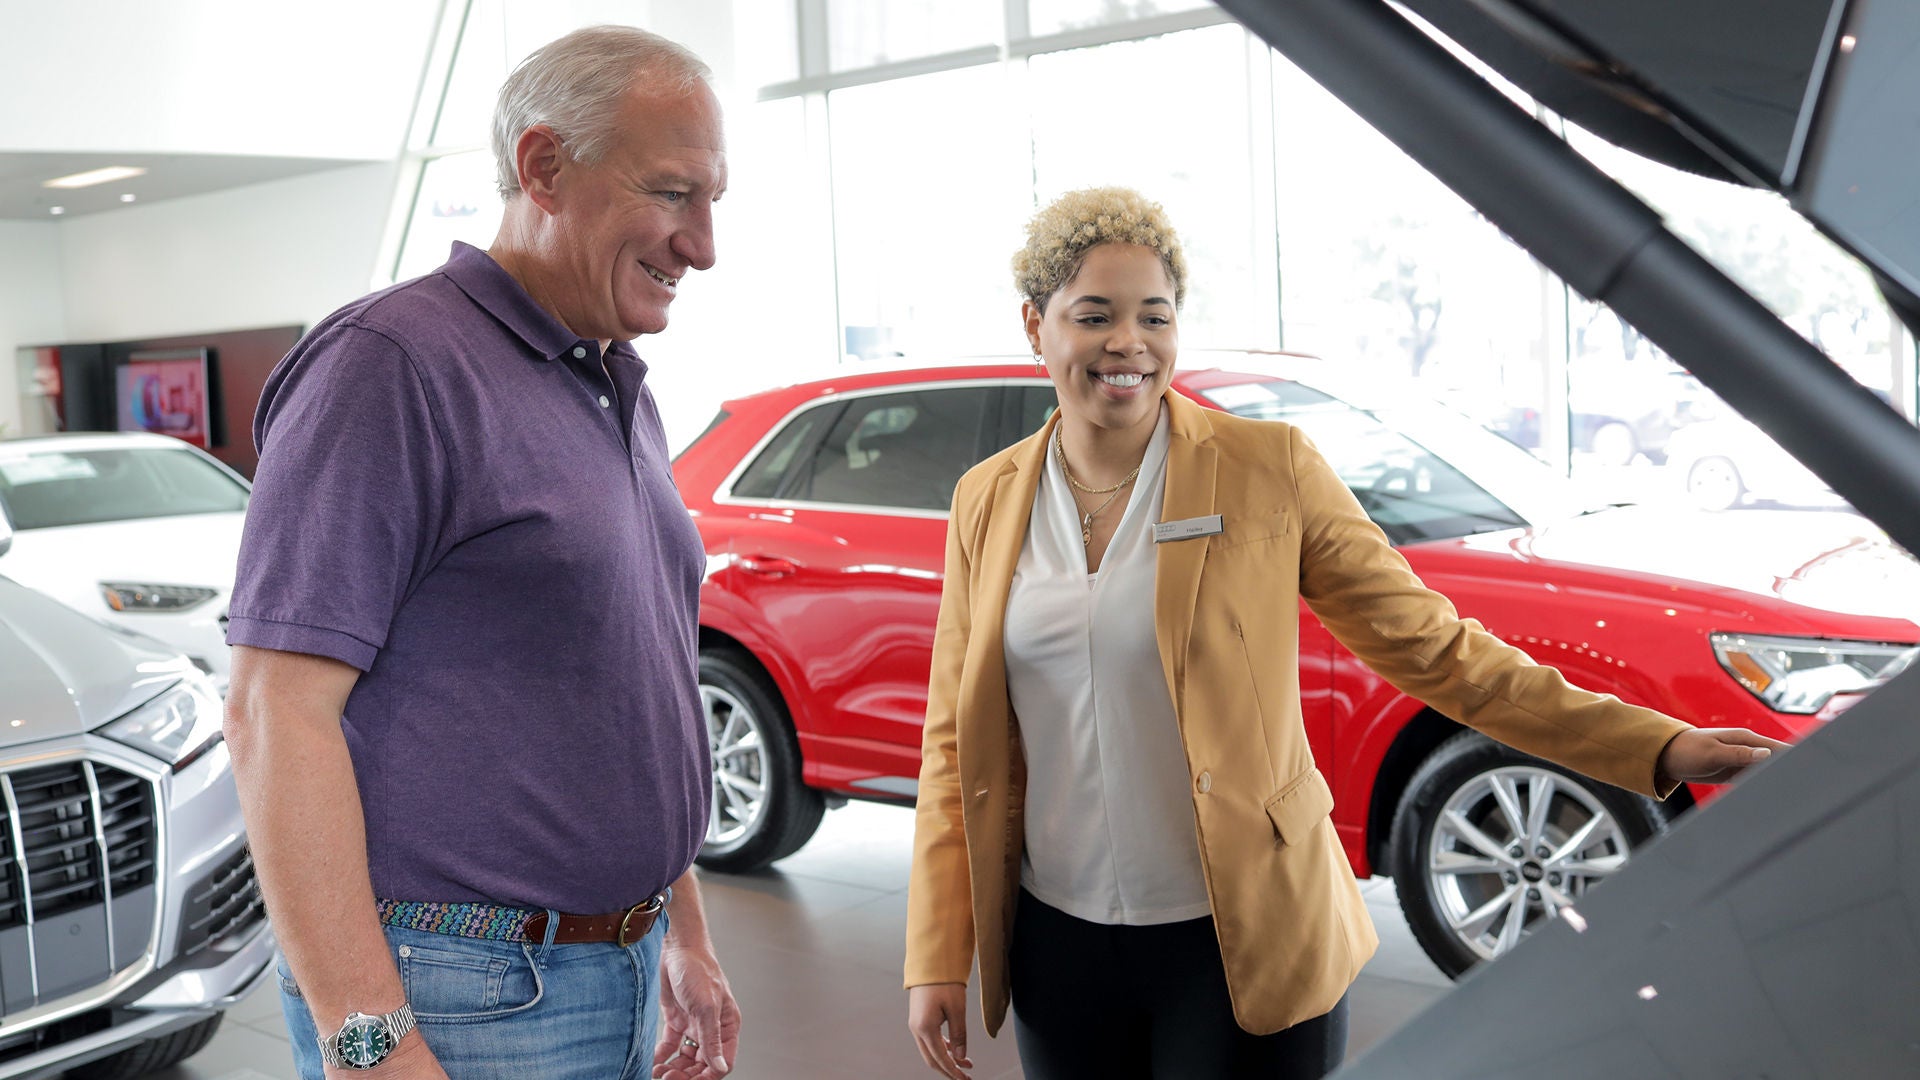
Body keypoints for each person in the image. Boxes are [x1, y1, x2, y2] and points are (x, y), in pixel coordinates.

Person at [902, 186, 1785, 1080]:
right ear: (1035, 325)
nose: (1128, 343)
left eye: (1154, 316)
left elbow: (1439, 652)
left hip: (1245, 932)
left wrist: (1659, 746)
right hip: (1060, 944)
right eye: (1094, 316)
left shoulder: (1267, 471)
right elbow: (954, 743)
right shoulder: (988, 498)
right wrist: (936, 951)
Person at [223, 26, 738, 1080]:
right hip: (462, 993)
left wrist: (681, 929)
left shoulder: (610, 379)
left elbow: (631, 685)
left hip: (613, 963)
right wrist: (368, 1040)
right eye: (673, 194)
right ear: (545, 167)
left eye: (712, 199)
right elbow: (275, 710)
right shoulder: (388, 367)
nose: (704, 244)